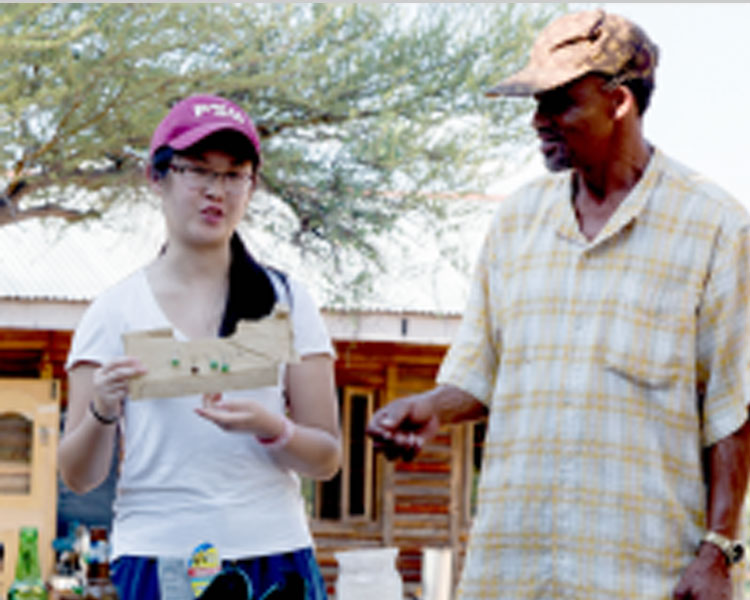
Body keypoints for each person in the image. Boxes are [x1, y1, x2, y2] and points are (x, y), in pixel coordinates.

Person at [366, 9, 750, 600]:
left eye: (559, 103)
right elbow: (481, 370)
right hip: (512, 571)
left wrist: (719, 552)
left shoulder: (714, 226)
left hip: (643, 575)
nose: (537, 121)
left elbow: (733, 410)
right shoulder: (515, 222)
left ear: (619, 102)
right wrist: (432, 407)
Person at [58, 94, 341, 599]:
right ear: (157, 177)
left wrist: (273, 428)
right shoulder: (112, 312)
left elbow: (326, 458)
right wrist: (102, 409)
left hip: (275, 554)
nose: (217, 191)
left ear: (252, 185)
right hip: (157, 557)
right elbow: (78, 477)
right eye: (198, 171)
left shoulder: (290, 300)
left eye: (235, 175)